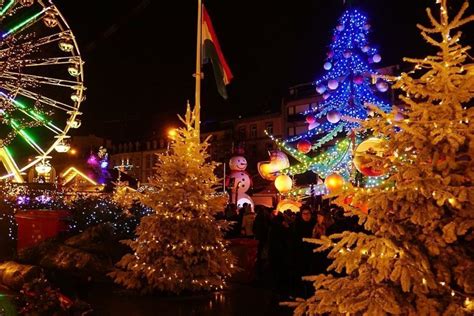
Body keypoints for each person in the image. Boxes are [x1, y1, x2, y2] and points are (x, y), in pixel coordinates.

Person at [291, 207, 316, 297]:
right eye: (304, 214)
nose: (306, 216)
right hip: (300, 254)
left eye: (308, 213)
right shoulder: (297, 225)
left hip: (312, 253)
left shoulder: (314, 225)